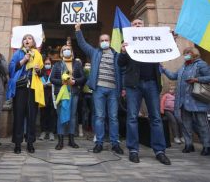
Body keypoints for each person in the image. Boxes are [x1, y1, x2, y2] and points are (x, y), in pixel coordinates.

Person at [118, 18, 171, 165]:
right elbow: (120, 63)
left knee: (155, 117)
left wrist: (169, 40)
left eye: (139, 23)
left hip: (152, 83)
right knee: (132, 117)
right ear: (131, 27)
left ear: (144, 26)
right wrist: (123, 52)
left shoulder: (154, 40)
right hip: (133, 85)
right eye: (134, 24)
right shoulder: (127, 41)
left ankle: (160, 151)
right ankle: (133, 150)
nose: (137, 25)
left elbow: (166, 50)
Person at [74, 23, 123, 154]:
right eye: (102, 40)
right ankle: (99, 143)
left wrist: (122, 88)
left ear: (110, 41)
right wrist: (78, 30)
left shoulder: (117, 55)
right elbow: (83, 44)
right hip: (99, 89)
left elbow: (122, 71)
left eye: (106, 40)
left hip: (113, 90)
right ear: (99, 42)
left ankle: (115, 143)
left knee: (113, 117)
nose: (104, 42)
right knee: (99, 116)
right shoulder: (95, 52)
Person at [161, 47, 210, 155]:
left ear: (194, 54)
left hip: (197, 99)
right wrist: (164, 69)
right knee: (185, 124)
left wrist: (197, 79)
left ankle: (207, 146)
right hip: (183, 100)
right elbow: (174, 76)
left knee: (202, 123)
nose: (185, 55)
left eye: (187, 53)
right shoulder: (184, 66)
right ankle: (189, 145)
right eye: (184, 53)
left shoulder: (200, 64)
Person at [7, 34, 45, 154]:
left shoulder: (38, 54)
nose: (27, 40)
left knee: (31, 116)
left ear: (33, 42)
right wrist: (24, 60)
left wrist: (39, 71)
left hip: (33, 88)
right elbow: (11, 68)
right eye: (25, 38)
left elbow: (42, 72)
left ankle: (30, 142)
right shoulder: (18, 53)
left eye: (29, 38)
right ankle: (17, 143)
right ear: (22, 42)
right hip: (21, 88)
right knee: (18, 116)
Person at [50, 44, 86, 150]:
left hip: (73, 92)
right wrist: (62, 82)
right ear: (61, 53)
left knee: (73, 115)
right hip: (61, 93)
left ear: (72, 52)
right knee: (61, 115)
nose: (66, 51)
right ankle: (60, 141)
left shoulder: (77, 64)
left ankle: (71, 140)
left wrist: (75, 81)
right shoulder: (57, 65)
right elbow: (52, 79)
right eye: (64, 49)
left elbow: (83, 78)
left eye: (68, 49)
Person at [39, 57, 56, 141]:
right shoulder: (41, 72)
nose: (47, 65)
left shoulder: (54, 71)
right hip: (43, 95)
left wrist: (51, 84)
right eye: (46, 63)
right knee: (43, 114)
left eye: (49, 63)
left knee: (52, 114)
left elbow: (57, 81)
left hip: (52, 95)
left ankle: (51, 132)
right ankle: (43, 131)